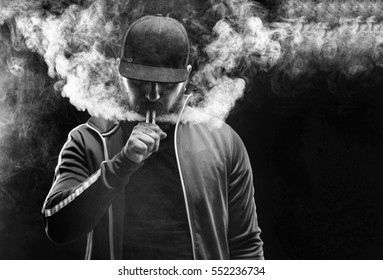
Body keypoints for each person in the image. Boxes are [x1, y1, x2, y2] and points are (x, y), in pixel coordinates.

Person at [41, 14, 264, 260]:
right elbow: (57, 225)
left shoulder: (222, 140)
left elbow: (244, 244)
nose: (153, 95)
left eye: (167, 84)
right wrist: (121, 165)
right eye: (140, 81)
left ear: (187, 75)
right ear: (121, 71)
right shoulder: (90, 138)